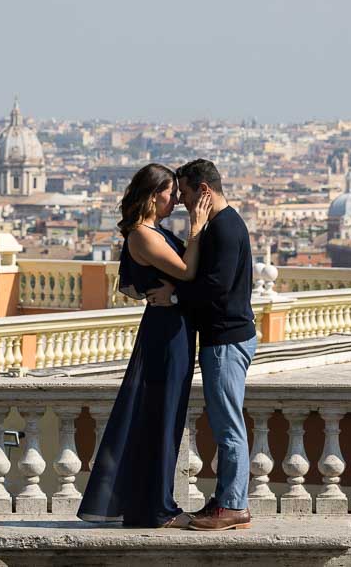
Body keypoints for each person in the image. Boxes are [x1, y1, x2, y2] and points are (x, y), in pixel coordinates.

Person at [78, 163, 212, 528]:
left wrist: (174, 296)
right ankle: (155, 508)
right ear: (154, 196)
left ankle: (153, 504)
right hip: (165, 335)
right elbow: (186, 271)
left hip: (173, 328)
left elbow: (177, 280)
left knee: (166, 416)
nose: (176, 201)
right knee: (160, 416)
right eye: (170, 194)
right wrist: (197, 229)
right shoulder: (142, 235)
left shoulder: (155, 230)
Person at [147, 158, 256, 531]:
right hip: (225, 338)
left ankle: (233, 505)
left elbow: (215, 287)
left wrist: (174, 296)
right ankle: (227, 499)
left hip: (226, 340)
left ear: (204, 192)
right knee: (226, 423)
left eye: (186, 193)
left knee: (228, 427)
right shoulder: (221, 225)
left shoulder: (224, 229)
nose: (181, 201)